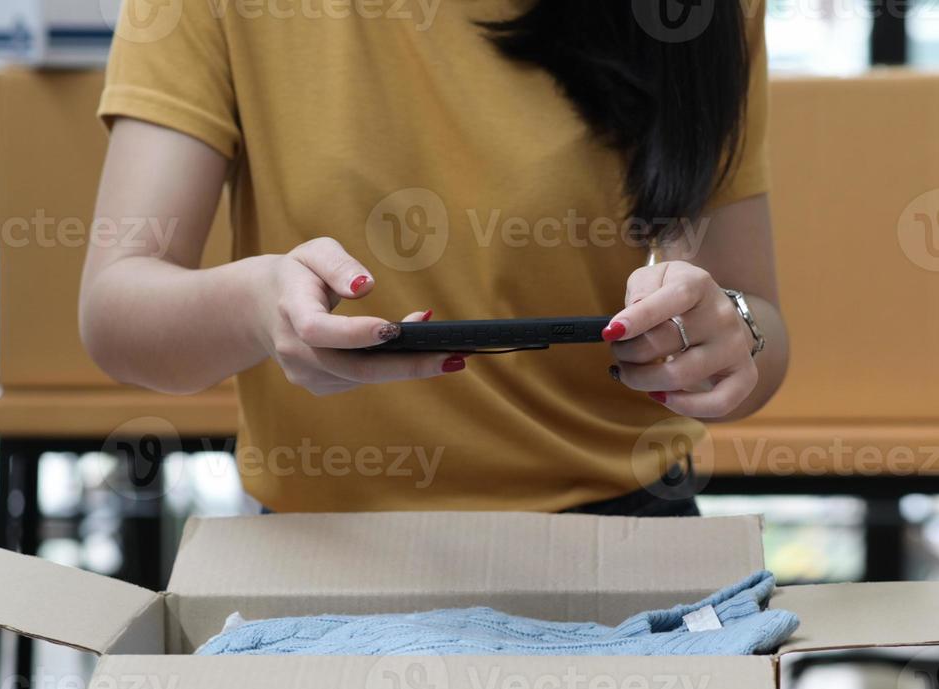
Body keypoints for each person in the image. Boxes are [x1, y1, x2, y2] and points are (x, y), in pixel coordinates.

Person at [79, 0, 787, 517]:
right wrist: (257, 304)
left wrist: (730, 333)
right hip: (324, 556)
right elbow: (118, 312)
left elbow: (760, 325)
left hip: (626, 540)